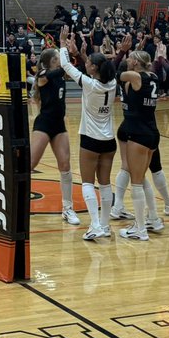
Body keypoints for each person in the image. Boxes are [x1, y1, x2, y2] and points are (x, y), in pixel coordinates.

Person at [59, 29, 118, 241]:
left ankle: (94, 225)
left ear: (94, 68)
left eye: (89, 63)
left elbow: (66, 66)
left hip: (91, 140)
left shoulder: (90, 85)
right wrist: (82, 55)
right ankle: (105, 225)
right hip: (109, 141)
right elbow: (97, 67)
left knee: (86, 183)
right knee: (105, 184)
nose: (86, 64)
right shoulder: (112, 83)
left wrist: (63, 45)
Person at [28, 46, 79, 227]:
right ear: (52, 61)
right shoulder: (43, 74)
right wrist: (65, 52)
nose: (61, 60)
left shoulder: (59, 74)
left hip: (59, 125)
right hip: (44, 124)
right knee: (31, 164)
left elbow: (69, 68)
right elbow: (54, 73)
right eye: (59, 58)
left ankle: (67, 208)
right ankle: (16, 199)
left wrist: (70, 49)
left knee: (65, 166)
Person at [114, 50, 162, 240]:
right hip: (152, 132)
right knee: (141, 179)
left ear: (136, 62)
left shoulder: (134, 76)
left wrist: (121, 56)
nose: (128, 60)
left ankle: (140, 229)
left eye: (131, 58)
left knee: (136, 182)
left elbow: (118, 75)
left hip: (138, 134)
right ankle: (154, 218)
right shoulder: (154, 76)